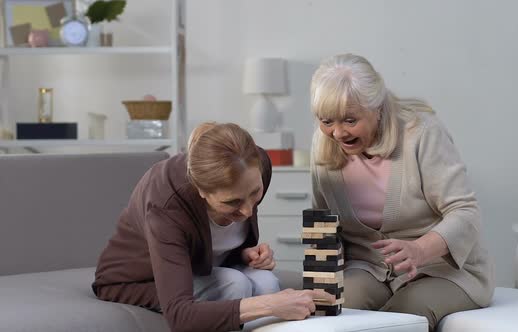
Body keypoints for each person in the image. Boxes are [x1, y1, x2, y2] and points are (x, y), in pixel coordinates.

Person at [309, 54, 494, 331]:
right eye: (327, 121)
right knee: (333, 315)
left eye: (349, 120)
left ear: (377, 108)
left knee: (404, 318)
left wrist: (420, 249)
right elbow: (322, 221)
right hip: (368, 268)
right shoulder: (323, 143)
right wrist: (321, 290)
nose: (336, 133)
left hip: (439, 270)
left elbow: (465, 212)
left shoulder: (421, 133)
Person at [92, 122, 334, 332]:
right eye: (233, 202)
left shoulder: (255, 163)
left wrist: (242, 253)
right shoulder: (166, 207)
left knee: (266, 282)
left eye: (255, 194)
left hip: (199, 266)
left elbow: (206, 240)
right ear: (200, 191)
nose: (248, 211)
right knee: (234, 284)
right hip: (135, 281)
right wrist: (271, 305)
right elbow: (180, 316)